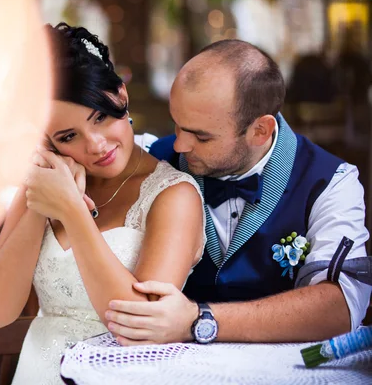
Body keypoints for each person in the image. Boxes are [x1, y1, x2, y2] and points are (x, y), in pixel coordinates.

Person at [0, 23, 206, 384]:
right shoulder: (41, 184)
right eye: (69, 136)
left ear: (120, 95)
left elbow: (136, 329)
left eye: (100, 116)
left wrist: (71, 210)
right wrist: (41, 205)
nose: (95, 144)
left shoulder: (174, 195)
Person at [106, 39, 372, 345]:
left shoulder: (331, 182)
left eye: (201, 137)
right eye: (177, 125)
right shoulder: (149, 157)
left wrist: (198, 320)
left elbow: (340, 307)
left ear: (260, 131)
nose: (180, 145)